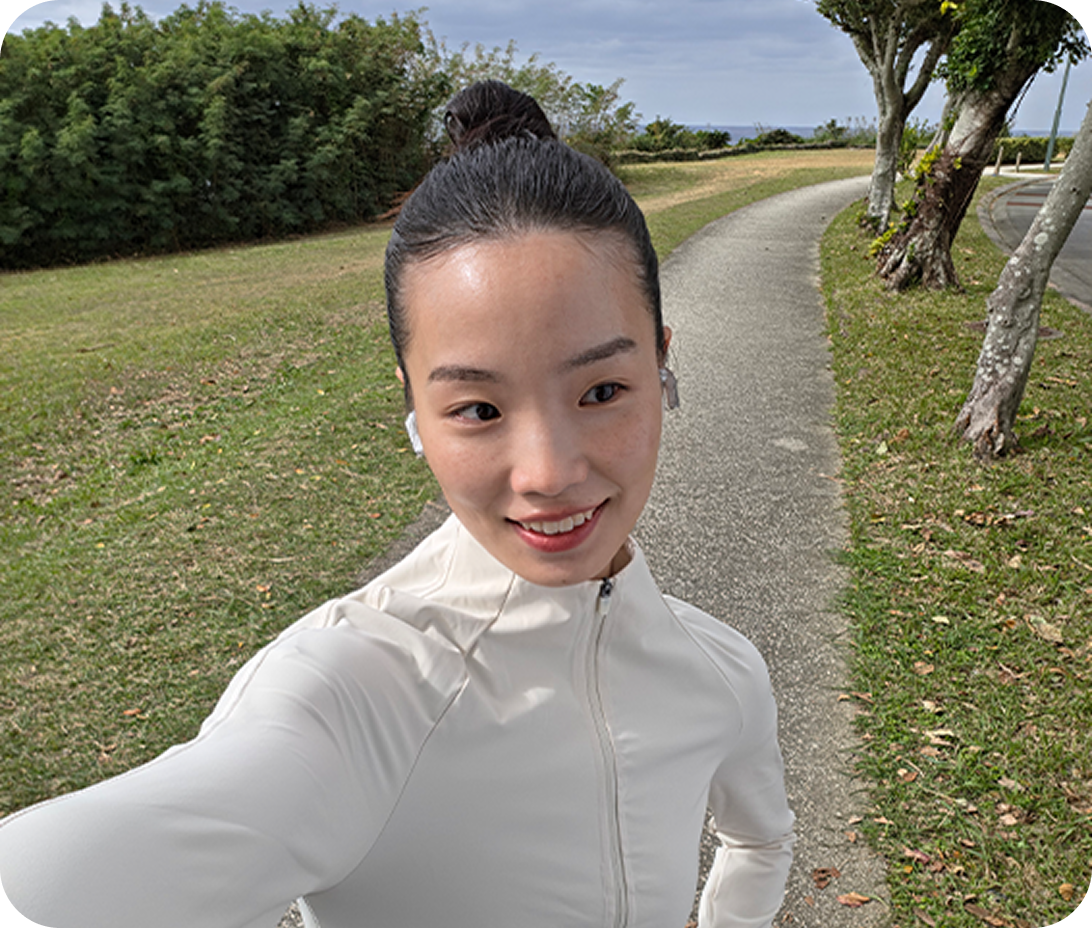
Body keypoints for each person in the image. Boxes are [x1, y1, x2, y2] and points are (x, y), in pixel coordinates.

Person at [0, 80, 794, 928]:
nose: (548, 473)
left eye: (601, 390)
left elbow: (761, 840)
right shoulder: (354, 691)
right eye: (478, 409)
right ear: (414, 408)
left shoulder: (721, 670)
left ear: (661, 362)